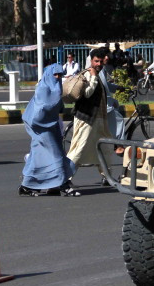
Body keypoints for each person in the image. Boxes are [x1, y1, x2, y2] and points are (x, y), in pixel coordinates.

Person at [19, 63, 80, 197]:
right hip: (39, 126)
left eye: (60, 75)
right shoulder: (43, 88)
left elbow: (57, 106)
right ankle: (64, 184)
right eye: (55, 74)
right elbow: (43, 107)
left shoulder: (55, 87)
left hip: (50, 125)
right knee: (56, 154)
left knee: (37, 155)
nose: (57, 77)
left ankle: (25, 185)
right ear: (48, 74)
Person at [67, 47, 112, 172]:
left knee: (103, 148)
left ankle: (107, 175)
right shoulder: (88, 74)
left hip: (98, 120)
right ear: (91, 61)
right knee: (79, 149)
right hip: (86, 119)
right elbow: (87, 93)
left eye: (100, 61)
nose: (98, 64)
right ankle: (65, 177)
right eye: (96, 61)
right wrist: (93, 78)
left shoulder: (98, 74)